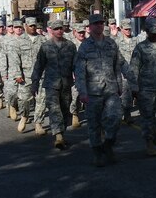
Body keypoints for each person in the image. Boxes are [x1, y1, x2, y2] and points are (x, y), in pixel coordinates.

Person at [74, 14, 123, 167]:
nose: (99, 26)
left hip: (111, 89)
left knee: (115, 118)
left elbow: (118, 64)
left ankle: (108, 144)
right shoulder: (85, 46)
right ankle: (97, 152)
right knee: (94, 125)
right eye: (96, 24)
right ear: (90, 27)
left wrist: (121, 85)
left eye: (101, 23)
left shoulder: (111, 43)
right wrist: (82, 92)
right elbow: (80, 71)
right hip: (92, 92)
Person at [31, 19, 77, 149]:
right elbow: (38, 66)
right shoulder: (46, 46)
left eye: (61, 28)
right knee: (54, 109)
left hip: (66, 83)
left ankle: (62, 133)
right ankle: (58, 136)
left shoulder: (70, 46)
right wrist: (35, 82)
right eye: (56, 29)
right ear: (51, 30)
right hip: (51, 84)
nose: (59, 31)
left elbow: (76, 64)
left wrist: (80, 78)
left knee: (65, 110)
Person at [129, 17, 156, 156]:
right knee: (148, 117)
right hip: (145, 88)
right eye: (152, 32)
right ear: (147, 31)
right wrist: (134, 88)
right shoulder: (140, 47)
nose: (155, 34)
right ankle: (149, 142)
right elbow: (134, 68)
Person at [9, 17, 47, 133]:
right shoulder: (19, 41)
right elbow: (14, 59)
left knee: (41, 101)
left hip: (42, 76)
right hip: (26, 76)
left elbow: (49, 58)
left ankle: (38, 123)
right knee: (24, 100)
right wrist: (17, 74)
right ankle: (24, 116)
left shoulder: (43, 40)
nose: (33, 27)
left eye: (34, 25)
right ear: (25, 26)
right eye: (30, 26)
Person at [115, 18, 137, 123]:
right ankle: (126, 114)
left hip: (135, 71)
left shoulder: (135, 40)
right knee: (125, 94)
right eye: (126, 29)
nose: (128, 31)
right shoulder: (117, 42)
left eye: (129, 29)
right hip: (123, 72)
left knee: (135, 92)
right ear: (121, 29)